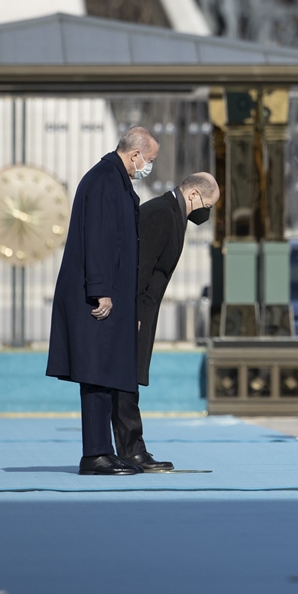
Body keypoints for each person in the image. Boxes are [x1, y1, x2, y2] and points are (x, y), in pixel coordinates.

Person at [46, 127, 159, 475]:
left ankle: (102, 451)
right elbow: (96, 238)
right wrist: (101, 290)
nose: (149, 167)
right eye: (150, 160)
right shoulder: (104, 180)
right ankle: (95, 454)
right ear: (135, 154)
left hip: (109, 294)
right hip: (96, 297)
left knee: (104, 372)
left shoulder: (114, 179)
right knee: (95, 372)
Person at [112, 172, 220, 472]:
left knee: (127, 379)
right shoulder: (161, 213)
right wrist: (131, 313)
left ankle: (129, 448)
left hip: (142, 309)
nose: (207, 212)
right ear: (195, 195)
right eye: (208, 205)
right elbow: (140, 266)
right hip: (135, 310)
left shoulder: (171, 212)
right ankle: (132, 450)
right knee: (125, 380)